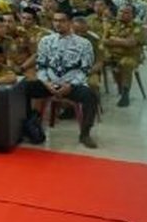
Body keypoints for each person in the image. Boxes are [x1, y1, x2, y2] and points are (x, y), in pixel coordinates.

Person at [28, 11, 98, 147]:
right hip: (49, 83)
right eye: (55, 20)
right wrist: (47, 83)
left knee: (91, 96)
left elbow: (85, 70)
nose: (58, 24)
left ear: (70, 23)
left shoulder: (84, 44)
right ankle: (30, 126)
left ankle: (85, 134)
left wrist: (70, 85)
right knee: (24, 87)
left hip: (72, 85)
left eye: (62, 21)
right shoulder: (46, 41)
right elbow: (41, 66)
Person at [103, 3, 146, 107]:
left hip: (131, 55)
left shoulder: (138, 27)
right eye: (120, 11)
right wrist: (122, 41)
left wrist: (114, 39)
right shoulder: (112, 24)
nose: (122, 14)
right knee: (96, 61)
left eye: (126, 12)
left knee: (126, 63)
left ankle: (125, 93)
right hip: (111, 55)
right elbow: (104, 40)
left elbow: (130, 43)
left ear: (133, 15)